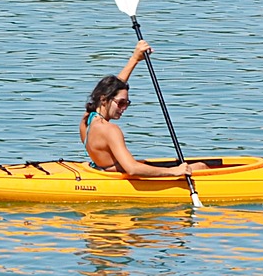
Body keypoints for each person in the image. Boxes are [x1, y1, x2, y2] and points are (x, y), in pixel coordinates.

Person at [81, 40, 193, 178]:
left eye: (127, 103)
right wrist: (174, 171)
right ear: (104, 100)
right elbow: (132, 169)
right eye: (121, 103)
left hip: (102, 170)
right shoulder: (110, 130)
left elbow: (116, 87)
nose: (124, 108)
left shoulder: (87, 120)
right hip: (120, 177)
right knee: (199, 167)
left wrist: (135, 59)